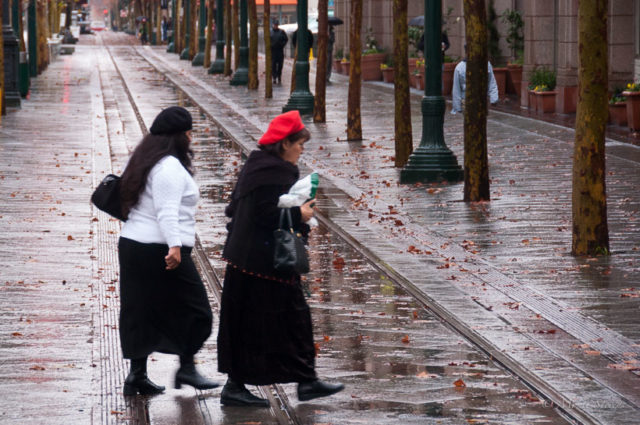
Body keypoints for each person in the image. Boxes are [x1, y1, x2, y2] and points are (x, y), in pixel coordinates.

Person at [217, 111, 344, 407]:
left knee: (254, 321)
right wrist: (298, 214)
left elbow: (235, 209)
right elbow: (263, 214)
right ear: (285, 143)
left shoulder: (257, 164)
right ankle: (298, 382)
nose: (301, 150)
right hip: (264, 262)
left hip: (246, 258)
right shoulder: (277, 171)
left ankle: (301, 380)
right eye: (299, 144)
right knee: (287, 318)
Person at [118, 106, 218, 396]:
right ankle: (187, 367)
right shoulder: (169, 168)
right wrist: (175, 246)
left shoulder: (145, 160)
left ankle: (137, 375)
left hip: (135, 244)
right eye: (189, 133)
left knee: (141, 308)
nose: (191, 139)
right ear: (178, 136)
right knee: (197, 310)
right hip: (160, 249)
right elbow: (167, 212)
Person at [270, 20, 288, 84]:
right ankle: (274, 77)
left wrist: (282, 45)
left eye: (276, 25)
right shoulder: (270, 32)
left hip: (280, 50)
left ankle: (279, 76)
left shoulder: (282, 32)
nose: (275, 26)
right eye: (274, 25)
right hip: (273, 51)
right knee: (273, 65)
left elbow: (286, 39)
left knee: (280, 65)